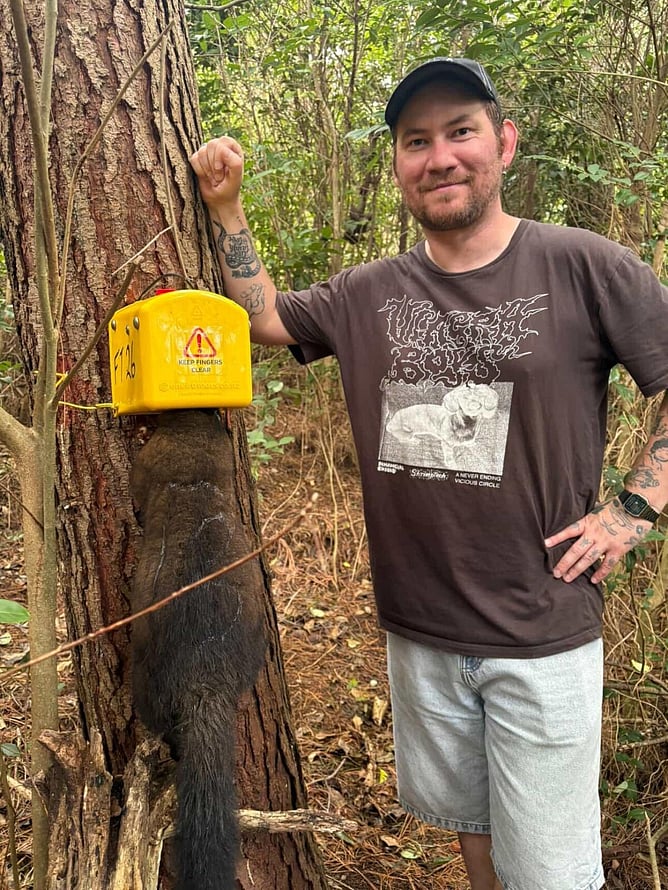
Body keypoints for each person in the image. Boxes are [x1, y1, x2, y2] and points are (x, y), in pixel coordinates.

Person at [190, 58, 668, 890]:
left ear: (504, 143)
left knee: (554, 873)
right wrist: (226, 205)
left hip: (540, 632)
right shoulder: (368, 292)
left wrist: (634, 510)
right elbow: (263, 316)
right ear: (400, 165)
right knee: (473, 837)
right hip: (420, 630)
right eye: (417, 141)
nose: (439, 157)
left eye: (461, 132)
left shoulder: (584, 266)